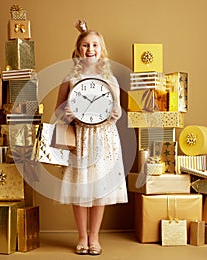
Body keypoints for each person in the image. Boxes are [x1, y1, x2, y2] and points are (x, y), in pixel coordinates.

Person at [54, 20, 128, 255]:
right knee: (80, 187)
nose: (90, 49)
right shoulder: (70, 78)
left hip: (104, 138)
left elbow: (117, 111)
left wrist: (117, 113)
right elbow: (57, 111)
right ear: (78, 50)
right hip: (81, 138)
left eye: (95, 45)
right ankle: (82, 237)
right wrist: (66, 113)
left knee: (99, 189)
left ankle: (94, 238)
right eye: (85, 45)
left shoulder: (110, 79)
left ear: (101, 49)